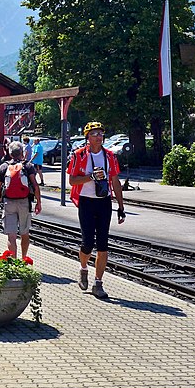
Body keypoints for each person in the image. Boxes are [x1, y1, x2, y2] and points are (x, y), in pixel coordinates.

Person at [67, 121, 126, 299]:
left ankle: (98, 283)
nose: (98, 136)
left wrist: (121, 206)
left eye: (100, 133)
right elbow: (72, 181)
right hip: (86, 201)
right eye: (94, 134)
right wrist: (91, 176)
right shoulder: (79, 155)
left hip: (104, 202)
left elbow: (115, 181)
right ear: (87, 137)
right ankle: (83, 268)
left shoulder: (109, 156)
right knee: (87, 243)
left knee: (103, 244)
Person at [0, 141, 41, 259]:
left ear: (10, 154)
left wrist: (2, 199)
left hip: (8, 202)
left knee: (11, 236)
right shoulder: (28, 166)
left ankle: (14, 263)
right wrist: (38, 202)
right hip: (24, 202)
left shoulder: (4, 166)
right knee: (25, 233)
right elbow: (35, 185)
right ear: (22, 153)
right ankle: (24, 258)